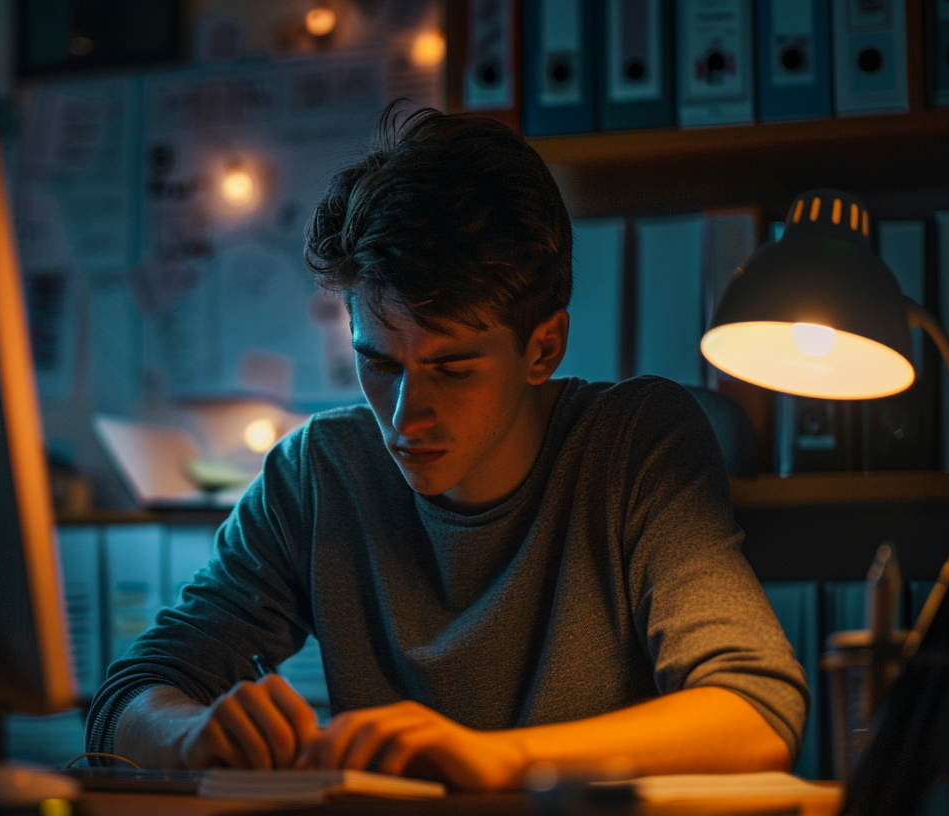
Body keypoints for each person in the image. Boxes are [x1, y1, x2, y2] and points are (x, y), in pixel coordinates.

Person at [86, 105, 808, 791]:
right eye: (381, 363)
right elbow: (126, 700)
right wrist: (189, 735)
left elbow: (756, 707)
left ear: (543, 347)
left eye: (453, 369)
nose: (406, 416)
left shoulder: (634, 444)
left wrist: (496, 760)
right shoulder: (319, 473)